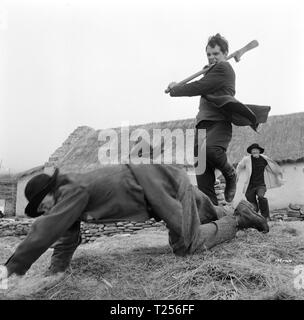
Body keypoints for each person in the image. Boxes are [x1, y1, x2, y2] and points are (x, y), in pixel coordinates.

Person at [0, 164, 269, 281]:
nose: (43, 211)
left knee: (187, 245)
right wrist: (55, 274)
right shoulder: (71, 194)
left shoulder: (70, 191)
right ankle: (237, 210)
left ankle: (238, 219)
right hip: (163, 183)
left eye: (41, 205)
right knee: (204, 208)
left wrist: (9, 271)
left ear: (50, 191)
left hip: (163, 191)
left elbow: (45, 232)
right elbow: (67, 237)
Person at [165, 33, 270, 206]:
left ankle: (230, 174)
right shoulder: (211, 72)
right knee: (203, 178)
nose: (212, 57)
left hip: (219, 123)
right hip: (201, 125)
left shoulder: (224, 69)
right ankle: (213, 218)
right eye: (209, 54)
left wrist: (176, 89)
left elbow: (198, 87)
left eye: (216, 54)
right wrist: (177, 85)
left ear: (225, 53)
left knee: (211, 150)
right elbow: (201, 84)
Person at [236, 143, 284, 220]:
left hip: (261, 185)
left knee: (261, 197)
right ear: (251, 152)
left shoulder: (264, 159)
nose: (254, 151)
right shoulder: (246, 159)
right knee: (252, 204)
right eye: (253, 150)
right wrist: (236, 175)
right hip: (250, 186)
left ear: (259, 151)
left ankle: (266, 216)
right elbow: (239, 166)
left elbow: (273, 167)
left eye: (256, 150)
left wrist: (278, 176)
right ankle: (256, 217)